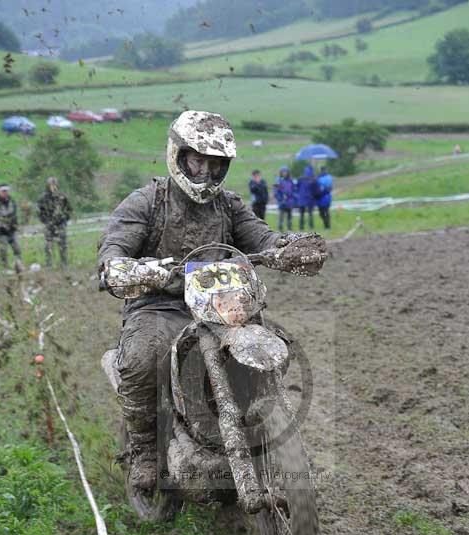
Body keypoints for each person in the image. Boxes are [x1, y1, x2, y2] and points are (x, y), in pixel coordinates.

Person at [98, 110, 326, 497]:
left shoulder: (230, 206)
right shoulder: (148, 202)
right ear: (179, 156)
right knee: (141, 355)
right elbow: (113, 250)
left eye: (215, 163)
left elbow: (260, 237)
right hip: (160, 305)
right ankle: (144, 450)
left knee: (269, 348)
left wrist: (285, 249)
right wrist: (125, 268)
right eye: (197, 160)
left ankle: (267, 436)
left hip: (222, 306)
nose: (205, 172)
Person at [37, 177, 72, 270]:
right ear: (48, 186)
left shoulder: (62, 196)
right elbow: (40, 212)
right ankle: (49, 264)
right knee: (49, 244)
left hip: (60, 224)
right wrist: (45, 221)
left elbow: (69, 209)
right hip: (49, 224)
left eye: (55, 184)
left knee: (63, 244)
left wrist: (65, 219)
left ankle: (64, 264)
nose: (53, 187)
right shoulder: (43, 198)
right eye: (51, 185)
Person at [0, 184, 23, 274]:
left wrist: (15, 224)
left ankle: (19, 265)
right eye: (3, 191)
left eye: (6, 191)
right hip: (1, 231)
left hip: (12, 230)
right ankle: (5, 267)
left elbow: (14, 214)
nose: (5, 193)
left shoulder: (11, 201)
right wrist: (3, 224)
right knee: (3, 249)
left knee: (17, 248)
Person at [273, 166, 294, 232]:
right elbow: (276, 191)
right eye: (283, 172)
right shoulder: (278, 181)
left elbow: (293, 190)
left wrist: (292, 197)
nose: (285, 173)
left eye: (286, 172)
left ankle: (289, 228)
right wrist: (281, 199)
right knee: (281, 217)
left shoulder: (290, 181)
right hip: (282, 202)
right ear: (281, 173)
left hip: (289, 202)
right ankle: (280, 229)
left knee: (289, 217)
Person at [297, 164, 316, 231]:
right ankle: (311, 226)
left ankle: (301, 227)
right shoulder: (313, 180)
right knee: (310, 214)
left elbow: (297, 188)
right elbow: (315, 190)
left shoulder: (300, 179)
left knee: (302, 214)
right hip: (309, 199)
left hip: (302, 199)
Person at [315, 165, 333, 230]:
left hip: (325, 197)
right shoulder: (318, 178)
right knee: (321, 213)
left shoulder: (328, 177)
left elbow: (330, 187)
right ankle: (326, 224)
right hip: (320, 198)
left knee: (326, 212)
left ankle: (327, 225)